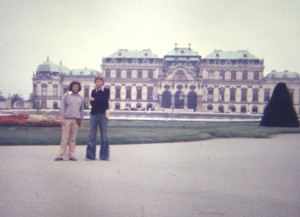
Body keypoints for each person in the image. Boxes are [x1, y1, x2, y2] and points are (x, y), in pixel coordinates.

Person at [54, 81, 84, 161]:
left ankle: (72, 155)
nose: (75, 88)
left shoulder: (80, 97)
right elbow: (62, 107)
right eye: (74, 86)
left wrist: (81, 119)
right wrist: (62, 118)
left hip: (76, 120)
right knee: (64, 138)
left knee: (73, 139)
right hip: (67, 120)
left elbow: (82, 109)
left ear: (79, 88)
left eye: (77, 87)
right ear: (71, 87)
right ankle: (61, 155)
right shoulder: (66, 96)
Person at [86, 76, 110, 161]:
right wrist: (95, 101)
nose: (98, 82)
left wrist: (94, 100)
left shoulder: (107, 90)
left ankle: (104, 156)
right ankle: (90, 156)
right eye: (97, 81)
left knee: (104, 136)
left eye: (100, 81)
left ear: (102, 82)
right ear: (95, 82)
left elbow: (104, 101)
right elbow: (92, 104)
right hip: (93, 114)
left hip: (103, 115)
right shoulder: (93, 91)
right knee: (92, 136)